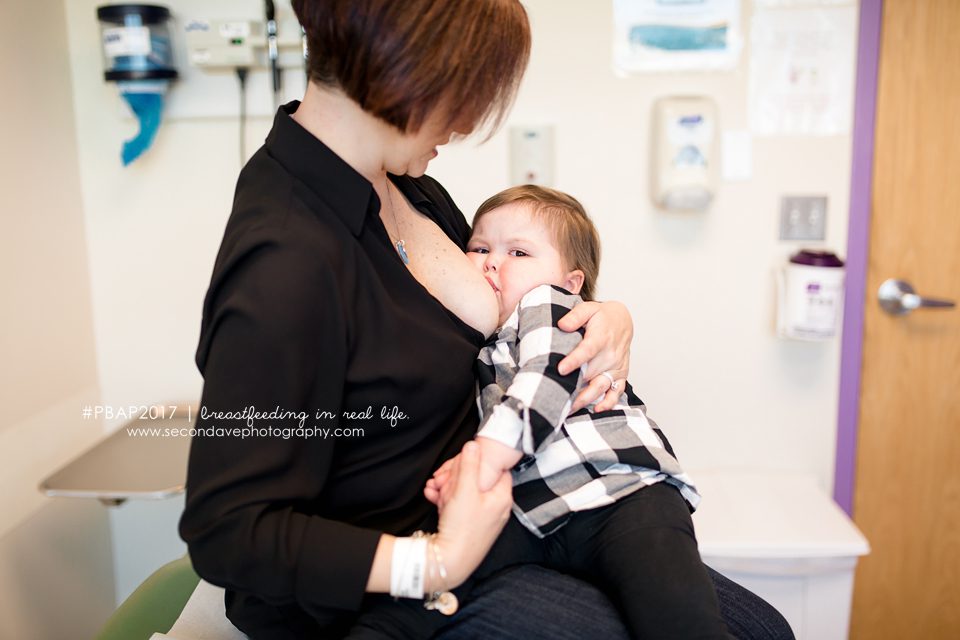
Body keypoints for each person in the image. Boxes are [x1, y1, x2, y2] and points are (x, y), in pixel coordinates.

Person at [179, 1, 794, 638]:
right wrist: (434, 563)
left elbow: (515, 309)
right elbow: (228, 532)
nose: (472, 121)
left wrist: (605, 317)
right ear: (405, 67)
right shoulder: (285, 255)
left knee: (767, 629)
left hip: (505, 514)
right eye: (467, 92)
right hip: (386, 583)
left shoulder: (405, 186)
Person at [424, 185, 730, 639]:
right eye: (480, 247)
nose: (491, 261)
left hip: (621, 490)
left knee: (678, 618)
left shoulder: (549, 306)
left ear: (571, 284)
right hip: (535, 508)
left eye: (519, 252)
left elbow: (549, 377)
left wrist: (482, 457)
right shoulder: (481, 334)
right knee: (432, 591)